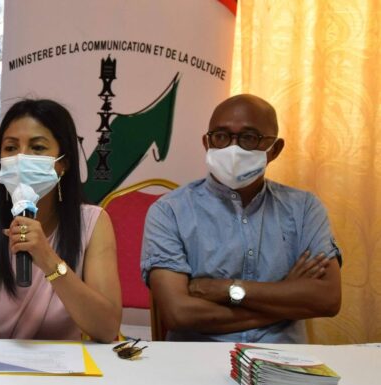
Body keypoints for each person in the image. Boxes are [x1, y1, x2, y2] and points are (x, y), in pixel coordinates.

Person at [142, 94, 341, 343]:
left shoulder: (304, 209)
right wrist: (285, 300)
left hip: (284, 360)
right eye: (221, 136)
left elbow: (328, 299)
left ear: (274, 149)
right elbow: (179, 314)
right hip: (198, 359)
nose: (232, 149)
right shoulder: (170, 211)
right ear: (207, 143)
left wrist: (227, 289)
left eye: (249, 138)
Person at [0, 99, 122, 344]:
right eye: (11, 147)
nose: (21, 157)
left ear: (63, 163)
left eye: (37, 147)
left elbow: (107, 328)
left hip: (63, 365)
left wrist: (48, 259)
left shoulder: (93, 223)